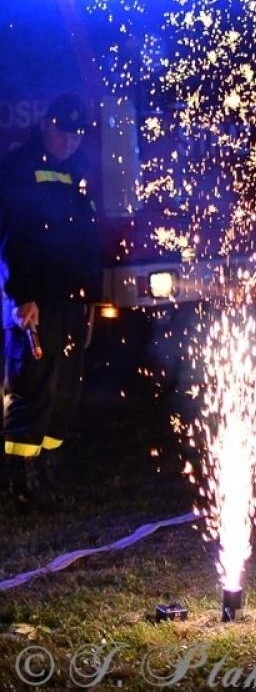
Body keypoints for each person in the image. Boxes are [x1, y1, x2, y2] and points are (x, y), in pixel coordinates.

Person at [0, 93, 102, 508]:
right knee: (33, 389)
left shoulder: (78, 171)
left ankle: (47, 473)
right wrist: (22, 297)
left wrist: (91, 297)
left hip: (70, 299)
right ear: (46, 126)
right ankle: (21, 482)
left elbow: (86, 240)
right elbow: (10, 241)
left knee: (65, 391)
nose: (68, 141)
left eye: (76, 135)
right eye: (63, 132)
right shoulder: (18, 169)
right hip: (35, 300)